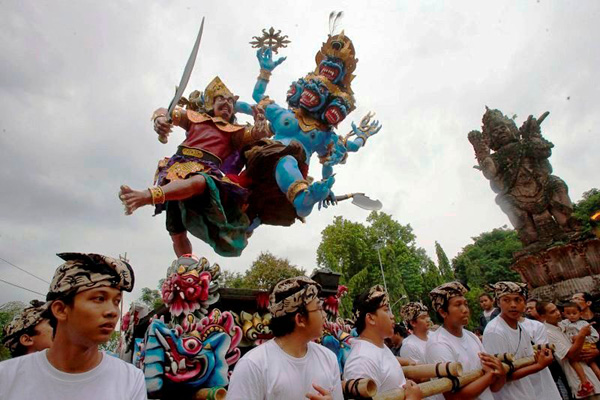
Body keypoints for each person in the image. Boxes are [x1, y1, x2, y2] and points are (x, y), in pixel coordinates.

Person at [119, 76, 270, 257]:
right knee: (176, 231)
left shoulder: (235, 132)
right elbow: (165, 111)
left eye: (231, 101)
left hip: (206, 171)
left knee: (200, 181)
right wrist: (160, 119)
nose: (227, 103)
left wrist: (261, 124)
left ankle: (147, 196)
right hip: (176, 170)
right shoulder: (195, 118)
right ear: (211, 102)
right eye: (221, 99)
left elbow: (258, 134)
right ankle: (187, 266)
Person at [0, 252, 146, 400]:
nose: (112, 312)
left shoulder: (129, 380)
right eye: (99, 298)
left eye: (116, 302)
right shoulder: (7, 377)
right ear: (60, 309)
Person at [227, 276, 343, 400]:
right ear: (300, 319)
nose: (324, 315)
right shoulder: (253, 365)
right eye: (319, 308)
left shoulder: (328, 358)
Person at [425, 282, 506, 400]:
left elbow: (494, 387)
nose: (465, 310)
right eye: (458, 305)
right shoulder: (438, 344)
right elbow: (453, 397)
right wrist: (490, 376)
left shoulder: (472, 337)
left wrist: (501, 374)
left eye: (466, 304)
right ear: (443, 312)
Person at [483, 281, 560, 400]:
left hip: (532, 392)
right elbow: (501, 376)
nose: (513, 305)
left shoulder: (520, 328)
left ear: (524, 303)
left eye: (518, 300)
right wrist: (539, 365)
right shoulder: (495, 331)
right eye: (506, 300)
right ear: (498, 302)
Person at [342, 285, 422, 399]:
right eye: (386, 310)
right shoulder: (361, 361)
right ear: (370, 318)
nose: (392, 316)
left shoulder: (379, 348)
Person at [539, 301, 600, 399]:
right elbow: (571, 355)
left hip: (594, 378)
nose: (558, 313)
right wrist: (581, 335)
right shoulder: (547, 333)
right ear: (543, 316)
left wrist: (595, 351)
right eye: (552, 312)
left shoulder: (565, 324)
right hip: (580, 383)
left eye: (557, 309)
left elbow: (592, 339)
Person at [560, 302, 600, 392]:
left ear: (580, 313)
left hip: (586, 347)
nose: (571, 316)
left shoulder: (584, 324)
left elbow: (595, 337)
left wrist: (581, 338)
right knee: (576, 361)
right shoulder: (563, 324)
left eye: (574, 313)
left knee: (578, 361)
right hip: (575, 347)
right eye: (568, 313)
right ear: (563, 314)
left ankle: (586, 382)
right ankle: (585, 382)